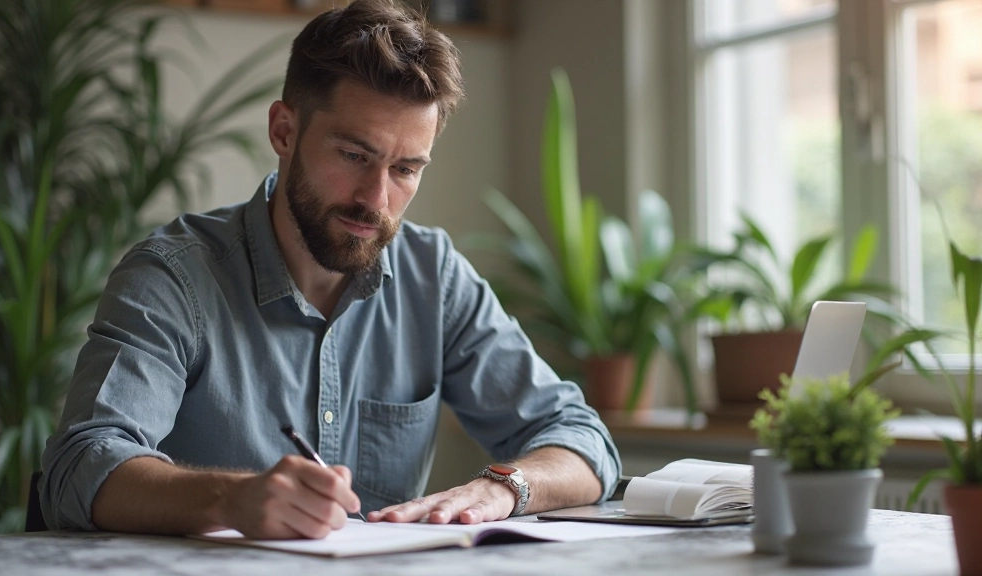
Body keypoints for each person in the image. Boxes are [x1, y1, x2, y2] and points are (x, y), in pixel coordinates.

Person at [41, 0, 621, 539]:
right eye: (354, 156)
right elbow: (82, 464)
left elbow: (582, 439)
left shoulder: (434, 276)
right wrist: (231, 500)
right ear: (284, 132)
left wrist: (505, 488)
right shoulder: (173, 276)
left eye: (405, 169)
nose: (376, 198)